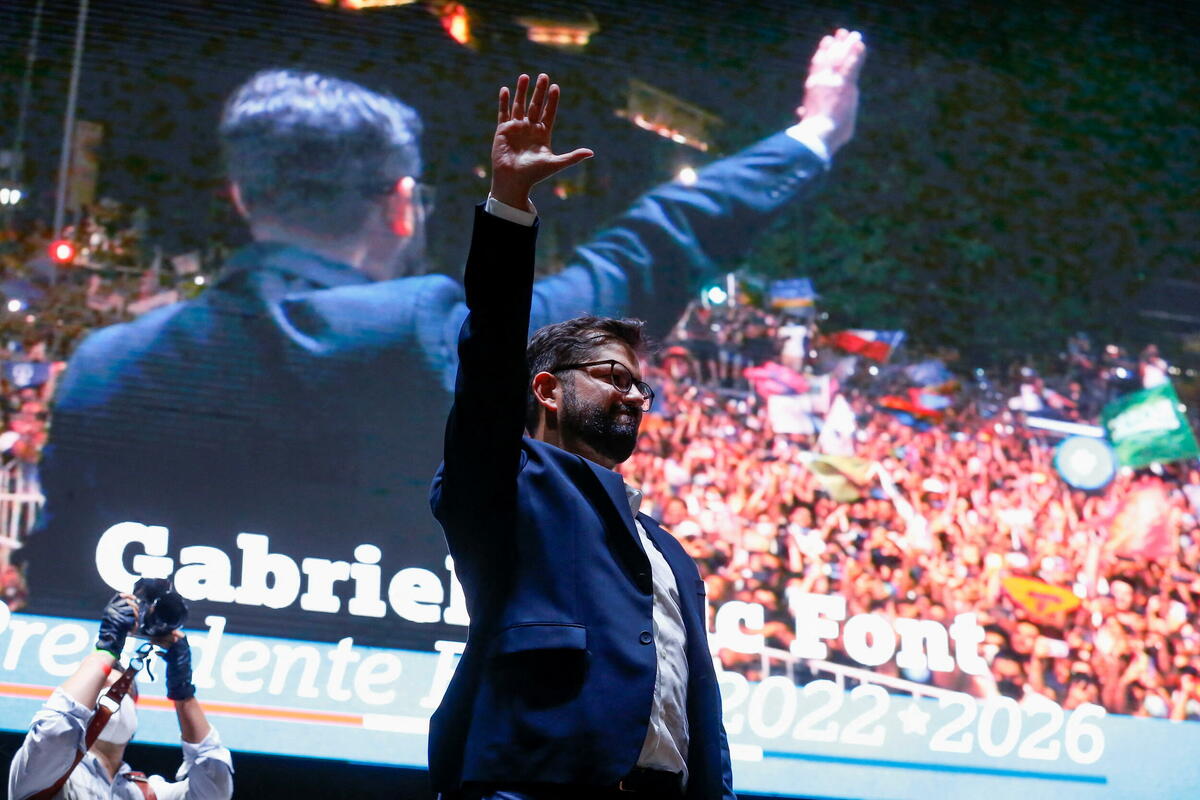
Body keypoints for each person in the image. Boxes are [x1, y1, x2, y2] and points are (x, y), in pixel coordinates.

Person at [21, 30, 866, 653]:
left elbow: (60, 594)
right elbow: (650, 249)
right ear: (401, 204)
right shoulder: (430, 337)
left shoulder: (105, 366)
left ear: (242, 196)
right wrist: (813, 135)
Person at [427, 64, 805, 799]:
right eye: (612, 375)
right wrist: (510, 206)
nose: (634, 394)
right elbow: (490, 358)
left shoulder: (667, 552)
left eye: (641, 385)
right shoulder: (508, 485)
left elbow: (696, 712)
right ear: (546, 389)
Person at [7, 594, 233, 800]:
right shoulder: (41, 772)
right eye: (104, 686)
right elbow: (56, 731)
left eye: (124, 691)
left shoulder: (147, 793)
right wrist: (106, 649)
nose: (115, 694)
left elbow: (215, 790)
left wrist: (183, 693)